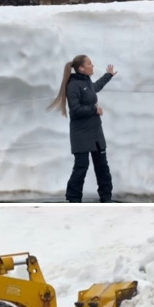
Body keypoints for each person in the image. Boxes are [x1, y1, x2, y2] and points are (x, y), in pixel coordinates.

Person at [47, 55, 118, 203]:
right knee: (81, 166)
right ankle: (73, 199)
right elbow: (76, 110)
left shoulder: (86, 82)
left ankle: (106, 198)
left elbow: (96, 86)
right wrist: (94, 109)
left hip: (95, 133)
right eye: (90, 64)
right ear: (81, 68)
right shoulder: (73, 85)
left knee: (102, 167)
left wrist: (108, 75)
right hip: (81, 134)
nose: (92, 66)